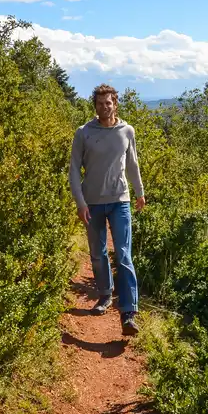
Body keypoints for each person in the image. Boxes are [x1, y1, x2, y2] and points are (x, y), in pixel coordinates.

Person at [69, 84, 146, 336]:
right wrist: (80, 203)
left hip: (120, 200)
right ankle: (104, 295)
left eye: (109, 102)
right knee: (98, 254)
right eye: (100, 103)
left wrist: (139, 192)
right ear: (95, 106)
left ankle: (129, 313)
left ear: (116, 104)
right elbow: (73, 170)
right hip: (92, 203)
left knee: (124, 254)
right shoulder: (83, 133)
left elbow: (132, 164)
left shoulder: (127, 131)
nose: (105, 106)